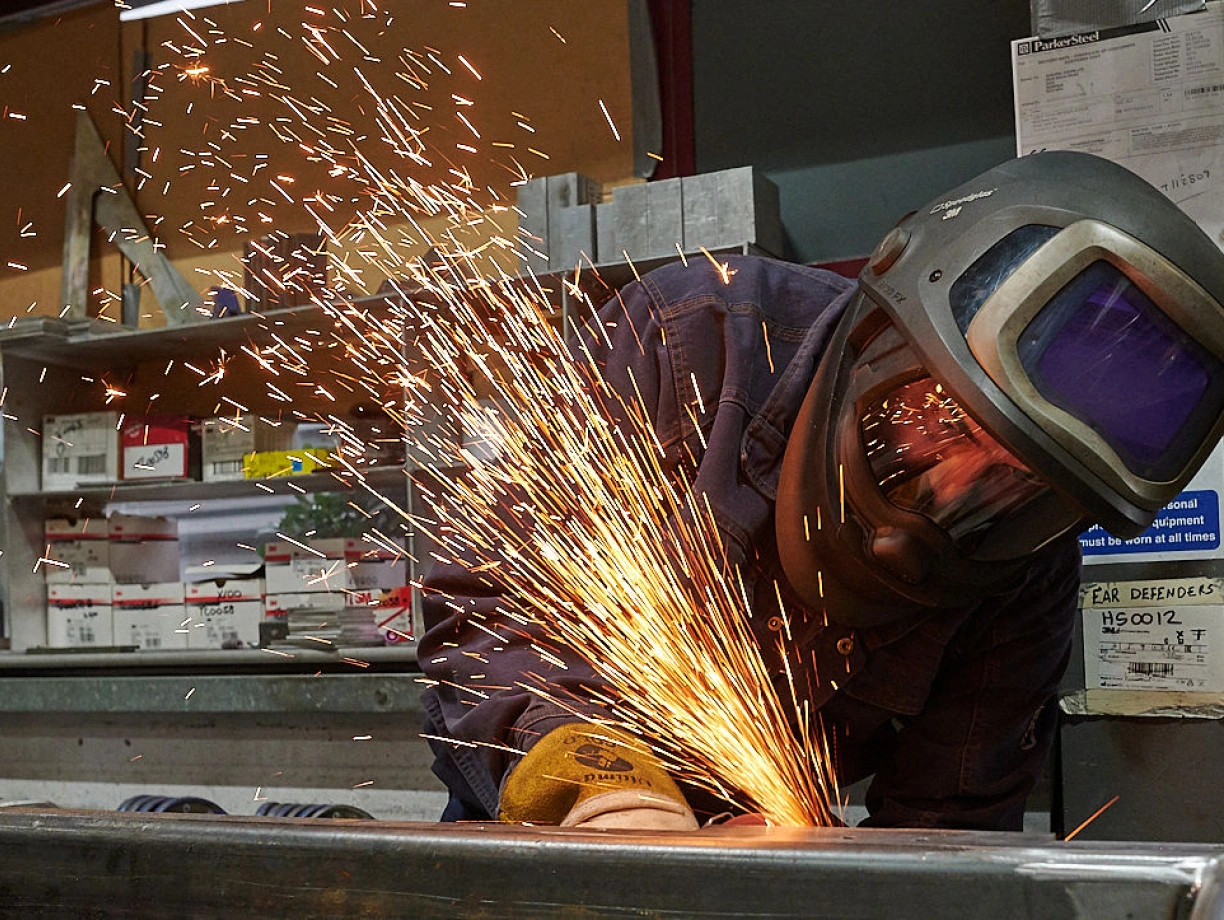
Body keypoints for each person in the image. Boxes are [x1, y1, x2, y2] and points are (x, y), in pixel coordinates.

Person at [418, 151, 1224, 831]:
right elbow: (492, 610)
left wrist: (834, 877)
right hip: (550, 824)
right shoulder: (697, 341)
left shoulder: (1026, 569)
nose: (948, 491)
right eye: (943, 419)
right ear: (884, 336)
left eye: (1013, 484)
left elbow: (951, 824)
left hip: (771, 841)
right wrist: (598, 791)